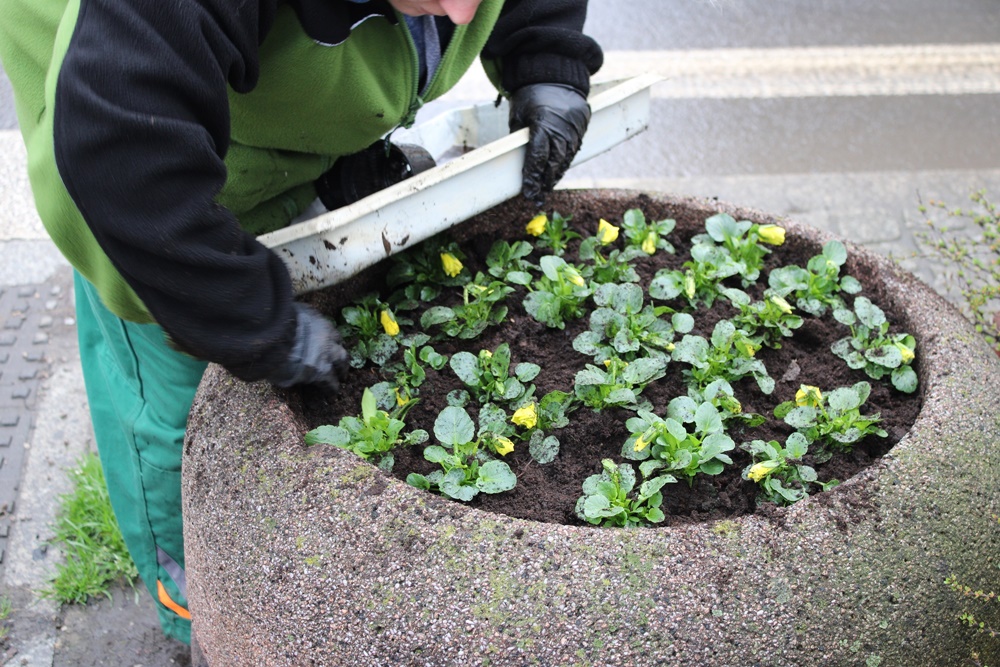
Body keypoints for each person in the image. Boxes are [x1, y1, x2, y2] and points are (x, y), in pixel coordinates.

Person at [0, 0, 603, 651]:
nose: (463, 11)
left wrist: (546, 58)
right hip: (129, 185)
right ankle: (192, 612)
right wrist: (253, 321)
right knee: (178, 421)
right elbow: (117, 157)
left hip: (241, 107)